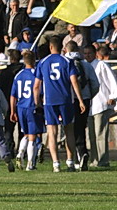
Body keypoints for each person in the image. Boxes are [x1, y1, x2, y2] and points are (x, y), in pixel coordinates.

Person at [33, 37, 86, 172]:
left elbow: (36, 86)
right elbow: (74, 81)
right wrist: (80, 100)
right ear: (61, 47)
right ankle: (70, 162)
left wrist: (36, 102)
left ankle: (56, 164)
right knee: (69, 130)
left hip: (49, 101)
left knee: (52, 132)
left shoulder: (43, 62)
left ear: (51, 47)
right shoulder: (68, 61)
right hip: (66, 100)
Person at [64, 40, 99, 169]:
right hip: (85, 99)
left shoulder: (64, 63)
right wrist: (88, 97)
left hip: (69, 100)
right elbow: (95, 84)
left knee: (69, 129)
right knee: (80, 128)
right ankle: (82, 153)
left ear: (66, 50)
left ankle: (73, 159)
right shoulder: (87, 65)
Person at [10, 51, 44, 170]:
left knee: (26, 134)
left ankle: (20, 154)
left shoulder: (18, 75)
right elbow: (40, 92)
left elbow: (13, 95)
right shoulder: (37, 74)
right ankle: (30, 163)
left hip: (20, 108)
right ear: (34, 60)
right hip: (31, 107)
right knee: (33, 136)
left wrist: (12, 111)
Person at [87, 45, 117, 168]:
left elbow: (112, 80)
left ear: (95, 53)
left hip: (101, 103)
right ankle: (94, 159)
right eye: (85, 53)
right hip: (90, 105)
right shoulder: (85, 66)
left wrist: (113, 96)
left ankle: (103, 160)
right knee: (92, 135)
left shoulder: (101, 65)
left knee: (100, 134)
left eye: (89, 53)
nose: (87, 56)